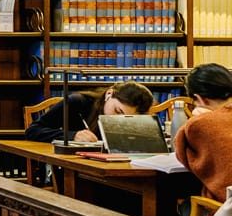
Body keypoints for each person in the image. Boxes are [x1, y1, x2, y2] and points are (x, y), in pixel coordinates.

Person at [25, 81, 155, 143]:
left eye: (128, 118)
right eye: (117, 111)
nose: (118, 119)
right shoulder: (78, 103)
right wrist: (72, 136)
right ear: (109, 94)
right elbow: (33, 131)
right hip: (77, 172)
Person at [175, 63, 232, 201]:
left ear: (200, 99)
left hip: (225, 212)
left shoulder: (202, 124)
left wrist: (198, 118)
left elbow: (181, 153)